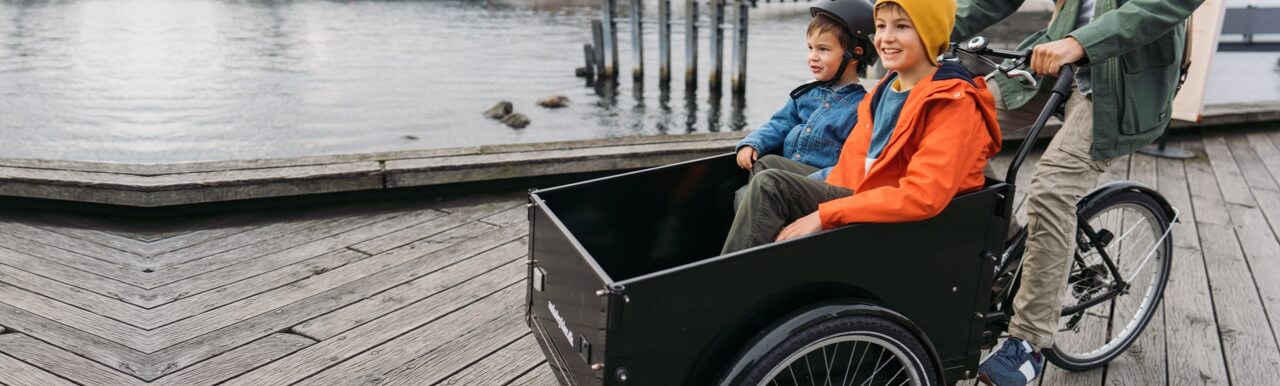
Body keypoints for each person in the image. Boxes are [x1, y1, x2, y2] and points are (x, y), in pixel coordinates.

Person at [950, 0, 1201, 384]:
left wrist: (1080, 42)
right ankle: (1013, 249)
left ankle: (1028, 343)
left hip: (1121, 80)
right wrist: (918, 28)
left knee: (1052, 189)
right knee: (951, 120)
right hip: (1052, 58)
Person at [721, 0, 1002, 254]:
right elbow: (853, 164)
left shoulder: (951, 102)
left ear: (929, 33)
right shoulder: (886, 87)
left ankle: (727, 285)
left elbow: (923, 196)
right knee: (770, 167)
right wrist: (816, 189)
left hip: (887, 207)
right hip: (863, 189)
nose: (885, 38)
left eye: (902, 26)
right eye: (880, 26)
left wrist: (824, 214)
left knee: (771, 187)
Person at [733, 0, 875, 181]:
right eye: (810, 48)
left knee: (764, 175)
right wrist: (754, 142)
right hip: (789, 175)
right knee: (734, 186)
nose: (812, 57)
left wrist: (805, 183)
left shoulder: (861, 107)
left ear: (855, 54)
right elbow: (780, 124)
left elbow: (851, 162)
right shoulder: (805, 93)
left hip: (821, 183)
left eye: (823, 49)